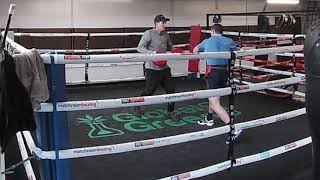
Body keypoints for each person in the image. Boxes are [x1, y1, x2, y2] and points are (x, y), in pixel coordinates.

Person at [193, 23, 242, 142]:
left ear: (212, 31)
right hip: (225, 73)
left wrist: (203, 56)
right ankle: (209, 118)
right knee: (213, 97)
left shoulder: (207, 41)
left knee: (214, 102)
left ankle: (233, 128)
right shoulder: (229, 40)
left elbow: (195, 50)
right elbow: (238, 51)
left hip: (213, 72)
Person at [135, 14, 179, 121]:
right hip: (152, 68)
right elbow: (140, 48)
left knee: (171, 90)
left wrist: (177, 50)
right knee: (149, 90)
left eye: (165, 22)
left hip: (164, 67)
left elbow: (170, 46)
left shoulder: (166, 35)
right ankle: (137, 105)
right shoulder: (148, 33)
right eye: (162, 22)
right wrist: (152, 53)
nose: (164, 24)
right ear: (156, 23)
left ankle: (170, 112)